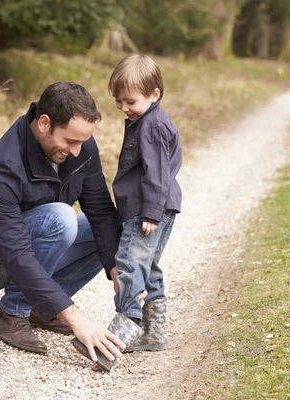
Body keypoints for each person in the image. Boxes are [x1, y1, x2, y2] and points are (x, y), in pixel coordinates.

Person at [0, 82, 126, 364]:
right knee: (61, 219)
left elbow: (100, 211)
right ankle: (11, 315)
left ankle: (42, 310)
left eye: (83, 141)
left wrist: (117, 270)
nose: (78, 150)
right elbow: (14, 252)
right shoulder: (0, 166)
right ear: (43, 123)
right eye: (70, 141)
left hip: (23, 241)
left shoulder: (81, 147)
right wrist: (75, 316)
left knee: (102, 232)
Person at [73, 54, 182, 371]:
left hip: (147, 210)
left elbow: (157, 174)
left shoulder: (153, 127)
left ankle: (119, 336)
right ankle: (155, 333)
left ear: (154, 94)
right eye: (118, 101)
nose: (123, 107)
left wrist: (150, 212)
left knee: (130, 267)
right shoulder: (144, 120)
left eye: (129, 101)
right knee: (148, 267)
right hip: (149, 207)